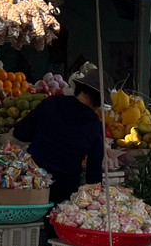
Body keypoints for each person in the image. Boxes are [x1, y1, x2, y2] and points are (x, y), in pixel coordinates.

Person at [13, 63, 105, 207]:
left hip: (32, 179)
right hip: (64, 188)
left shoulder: (51, 103)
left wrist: (45, 136)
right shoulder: (94, 124)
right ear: (100, 100)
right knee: (55, 223)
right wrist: (96, 202)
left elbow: (20, 132)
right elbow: (94, 172)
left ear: (80, 89)